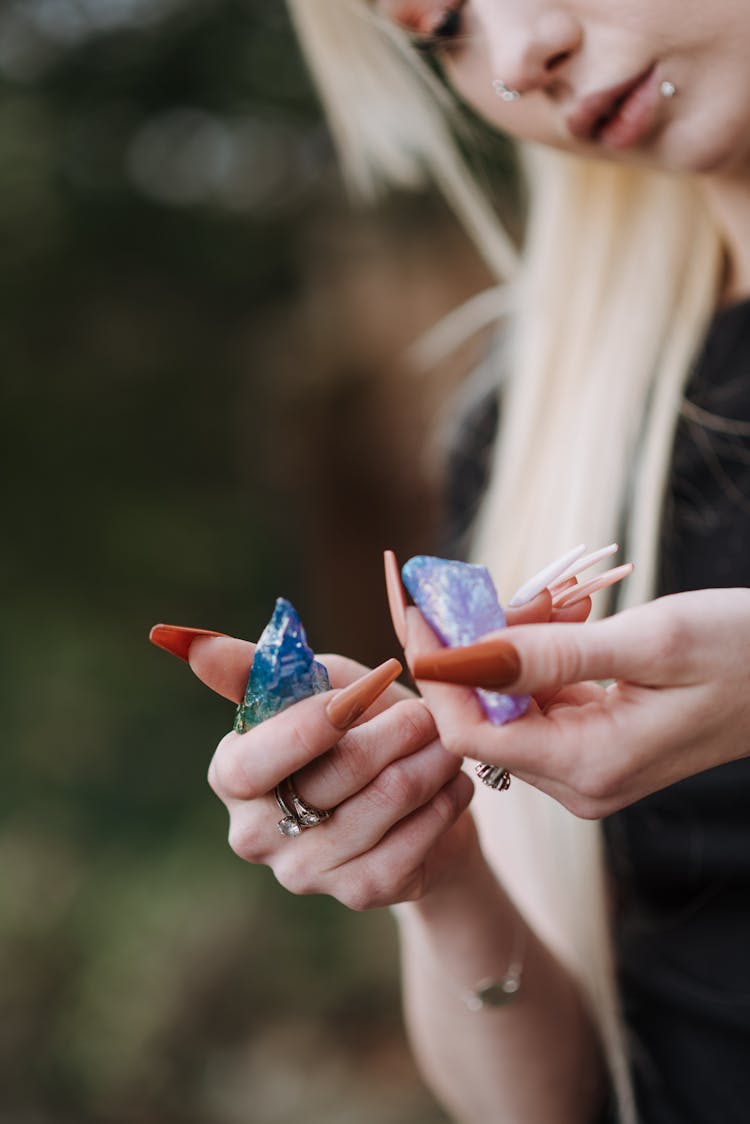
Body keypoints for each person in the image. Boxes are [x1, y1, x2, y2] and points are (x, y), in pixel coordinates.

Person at [150, 3, 750, 1121]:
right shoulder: (537, 422)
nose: (521, 52)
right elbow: (537, 1101)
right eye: (444, 28)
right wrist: (440, 867)